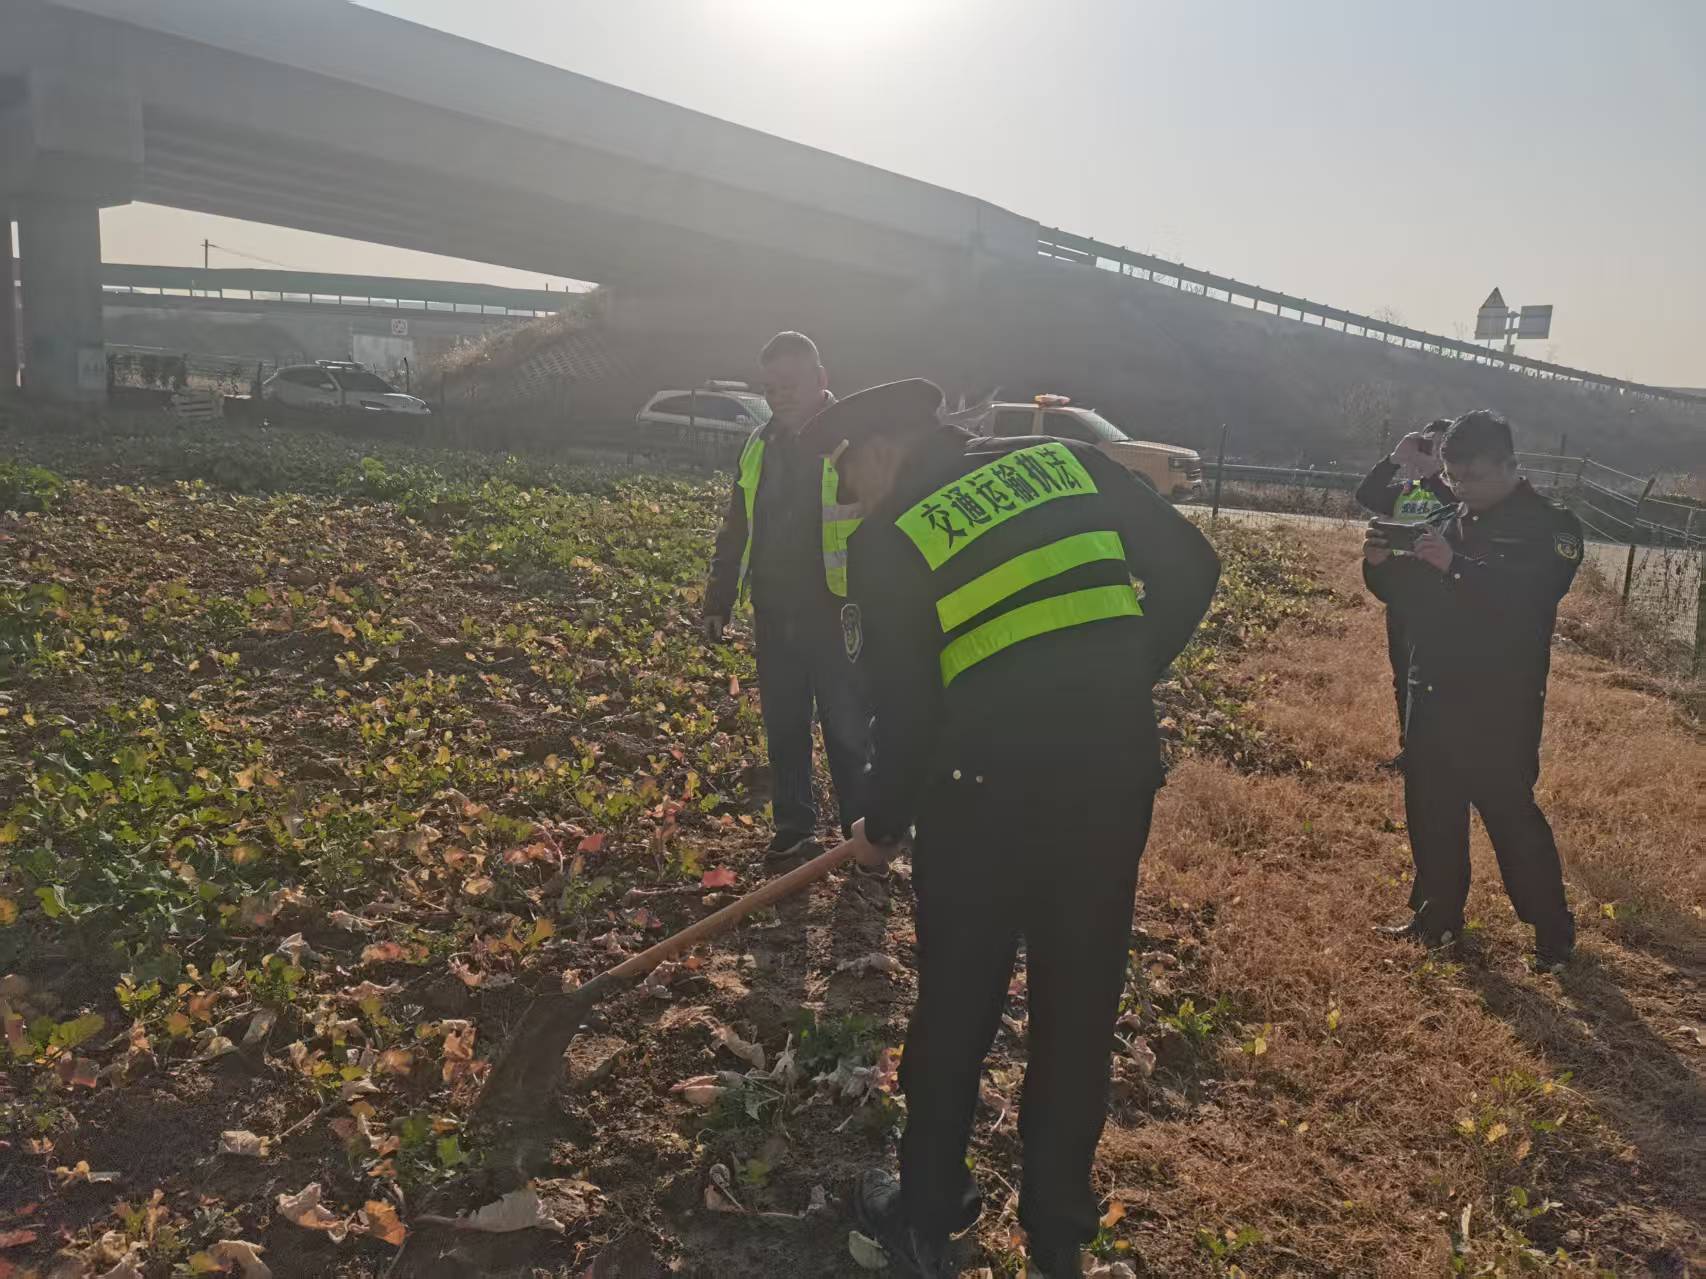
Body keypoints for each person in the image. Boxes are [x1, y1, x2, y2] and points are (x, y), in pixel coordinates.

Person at [810, 380, 1221, 1278]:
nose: (853, 501)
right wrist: (1116, 682)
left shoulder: (892, 540)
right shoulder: (1068, 461)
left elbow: (907, 714)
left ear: (880, 451)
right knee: (1079, 1005)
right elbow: (1195, 567)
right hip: (1111, 782)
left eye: (849, 480)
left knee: (957, 1006)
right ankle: (1058, 1231)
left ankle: (925, 1215)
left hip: (982, 804)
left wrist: (882, 822)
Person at [1363, 409, 1582, 972]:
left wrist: (1456, 566)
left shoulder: (1550, 526)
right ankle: (1436, 917)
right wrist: (1380, 565)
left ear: (1510, 465)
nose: (1462, 488)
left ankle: (1551, 930)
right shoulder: (1444, 518)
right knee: (1431, 806)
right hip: (1433, 685)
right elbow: (1409, 595)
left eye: (1474, 477)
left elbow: (1530, 596)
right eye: (1454, 477)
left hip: (1499, 698)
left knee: (1508, 812)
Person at [703, 331, 870, 860]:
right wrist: (718, 598)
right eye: (770, 386)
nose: (779, 395)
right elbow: (737, 525)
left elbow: (887, 522)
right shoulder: (760, 444)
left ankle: (864, 835)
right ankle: (794, 827)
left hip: (840, 610)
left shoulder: (855, 443)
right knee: (784, 723)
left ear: (821, 379)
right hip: (774, 609)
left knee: (848, 726)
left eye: (790, 383)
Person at [1354, 417, 1457, 770]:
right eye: (1427, 446)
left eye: (1441, 448)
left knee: (1438, 676)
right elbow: (1366, 495)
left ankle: (1443, 751)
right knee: (1404, 675)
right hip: (1401, 592)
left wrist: (1435, 475)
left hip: (1442, 594)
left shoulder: (1460, 494)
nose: (1432, 453)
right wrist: (1395, 459)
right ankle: (1411, 751)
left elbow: (1458, 507)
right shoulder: (1409, 489)